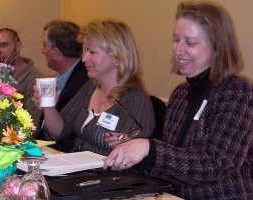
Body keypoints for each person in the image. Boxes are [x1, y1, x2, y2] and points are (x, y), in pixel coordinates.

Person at [103, 1, 253, 200]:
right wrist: (135, 147)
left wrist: (149, 149)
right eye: (176, 40)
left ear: (217, 46)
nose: (179, 50)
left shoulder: (237, 91)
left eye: (190, 43)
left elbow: (217, 164)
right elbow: (177, 160)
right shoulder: (180, 94)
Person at [33, 19, 155, 155]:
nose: (84, 58)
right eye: (85, 50)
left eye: (92, 52)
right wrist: (48, 106)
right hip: (76, 166)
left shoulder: (135, 99)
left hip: (107, 173)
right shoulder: (90, 87)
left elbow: (129, 158)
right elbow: (58, 132)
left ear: (117, 56)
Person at [35, 20, 89, 152]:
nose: (43, 51)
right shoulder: (59, 78)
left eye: (44, 46)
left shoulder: (85, 82)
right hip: (44, 147)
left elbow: (65, 135)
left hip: (62, 153)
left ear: (56, 53)